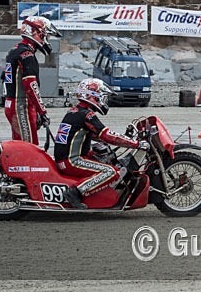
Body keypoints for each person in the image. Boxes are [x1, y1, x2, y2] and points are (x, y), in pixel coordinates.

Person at [54, 78, 149, 209]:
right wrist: (136, 144)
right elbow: (106, 134)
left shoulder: (75, 111)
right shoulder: (87, 114)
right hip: (72, 160)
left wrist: (124, 139)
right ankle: (75, 192)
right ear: (93, 96)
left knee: (105, 154)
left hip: (66, 158)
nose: (105, 101)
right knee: (111, 172)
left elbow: (96, 135)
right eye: (103, 97)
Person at [3, 16, 62, 144]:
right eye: (46, 36)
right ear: (37, 33)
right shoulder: (27, 54)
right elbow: (31, 86)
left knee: (20, 143)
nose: (47, 40)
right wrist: (42, 111)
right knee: (29, 146)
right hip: (21, 106)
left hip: (11, 103)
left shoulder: (14, 51)